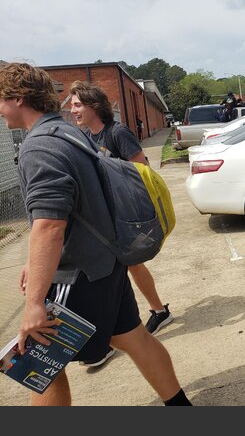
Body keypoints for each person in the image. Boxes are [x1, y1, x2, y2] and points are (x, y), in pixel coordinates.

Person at [0, 63, 191, 406]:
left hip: (78, 272)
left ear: (17, 99)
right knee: (133, 338)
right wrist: (33, 261)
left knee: (41, 363)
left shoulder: (38, 147)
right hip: (106, 262)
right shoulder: (68, 132)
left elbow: (49, 225)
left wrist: (33, 305)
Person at [69, 82, 174, 350]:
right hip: (104, 217)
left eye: (78, 105)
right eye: (72, 105)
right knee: (124, 268)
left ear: (94, 105)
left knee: (128, 265)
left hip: (124, 215)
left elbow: (141, 169)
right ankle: (149, 315)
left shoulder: (118, 133)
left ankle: (150, 315)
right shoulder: (88, 137)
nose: (73, 111)